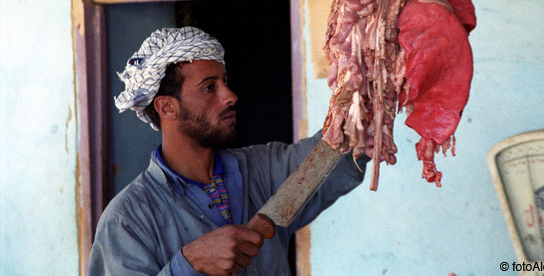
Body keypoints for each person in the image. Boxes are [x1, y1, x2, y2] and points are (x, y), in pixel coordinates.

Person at [88, 27, 368, 276]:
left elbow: (336, 153)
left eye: (225, 81)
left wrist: (369, 76)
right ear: (166, 107)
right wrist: (189, 263)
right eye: (209, 87)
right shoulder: (127, 218)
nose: (230, 96)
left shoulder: (264, 168)